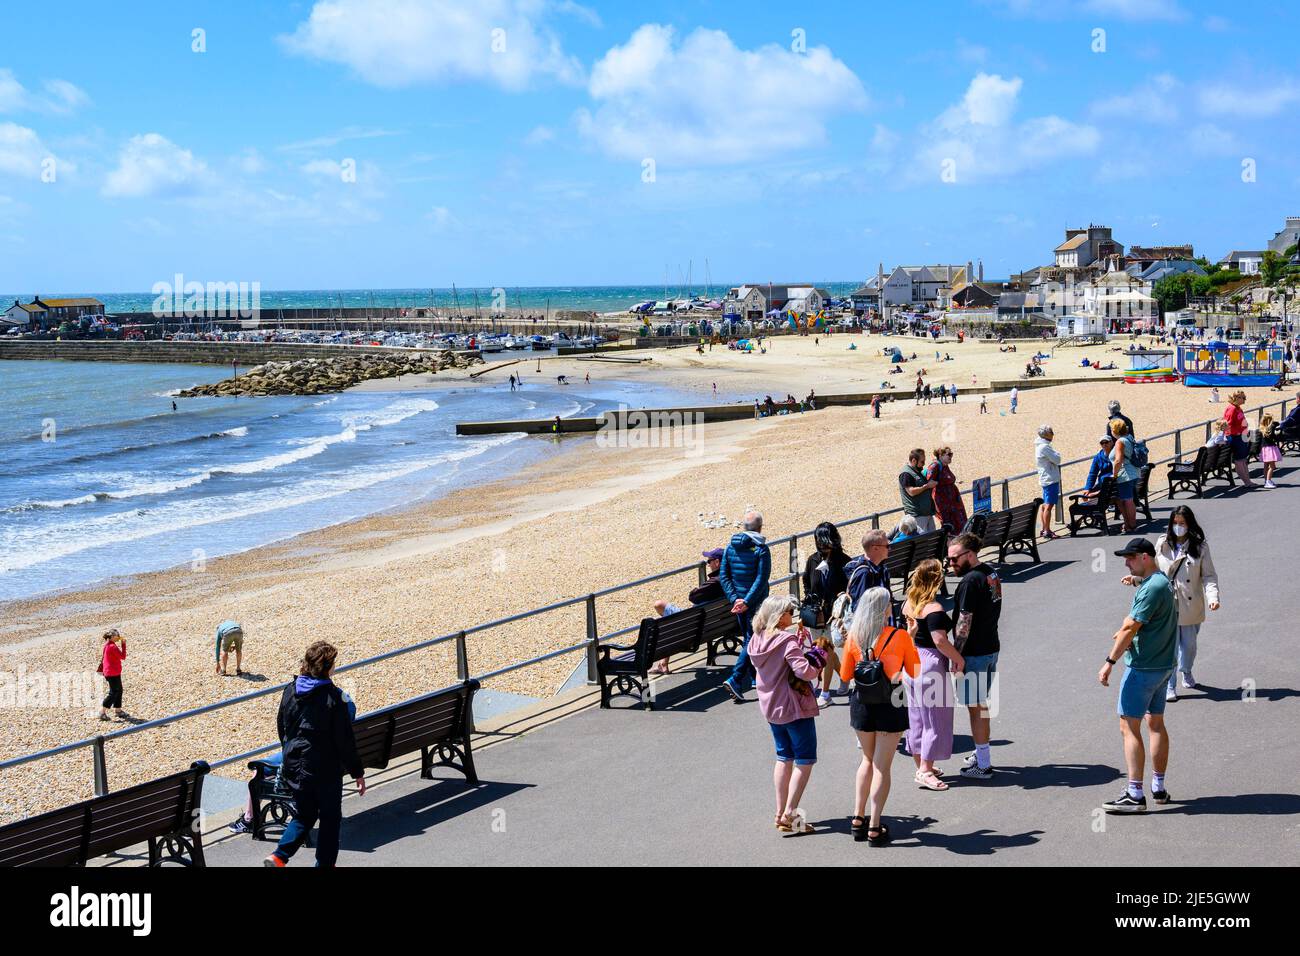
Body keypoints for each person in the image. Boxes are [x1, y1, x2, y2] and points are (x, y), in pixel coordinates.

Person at [265, 641, 366, 866]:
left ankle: (279, 856)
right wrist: (357, 772)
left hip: (295, 764)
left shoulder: (290, 690)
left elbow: (282, 725)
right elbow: (344, 741)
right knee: (330, 819)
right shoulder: (334, 698)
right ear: (328, 668)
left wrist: (289, 750)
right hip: (325, 769)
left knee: (304, 814)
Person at [1099, 539, 1177, 814]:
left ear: (1145, 557)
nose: (1126, 562)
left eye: (1131, 558)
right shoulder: (1161, 581)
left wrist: (1110, 661)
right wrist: (1135, 579)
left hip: (1143, 667)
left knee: (1128, 727)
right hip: (1164, 664)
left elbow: (1132, 625)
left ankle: (1134, 793)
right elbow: (1149, 597)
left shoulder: (1152, 588)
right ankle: (1159, 786)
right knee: (1155, 723)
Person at [840, 586, 918, 845]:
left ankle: (857, 818)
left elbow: (845, 675)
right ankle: (875, 825)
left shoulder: (854, 636)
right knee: (882, 767)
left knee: (866, 760)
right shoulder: (899, 636)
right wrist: (911, 638)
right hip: (891, 702)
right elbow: (915, 671)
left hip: (862, 702)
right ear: (884, 609)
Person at [748, 594, 826, 833]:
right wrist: (819, 658)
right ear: (780, 616)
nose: (792, 616)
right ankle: (790, 813)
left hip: (771, 706)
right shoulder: (786, 640)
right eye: (789, 612)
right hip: (794, 706)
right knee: (805, 759)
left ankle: (780, 811)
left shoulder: (757, 640)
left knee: (783, 757)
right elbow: (804, 671)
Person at [947, 533, 1002, 779]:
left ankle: (984, 763)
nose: (951, 564)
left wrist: (955, 655)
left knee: (976, 707)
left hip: (975, 653)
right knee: (980, 705)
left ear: (970, 554)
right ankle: (981, 754)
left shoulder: (969, 582)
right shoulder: (991, 573)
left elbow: (964, 621)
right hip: (990, 647)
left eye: (954, 559)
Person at [902, 559, 960, 791]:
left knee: (916, 718)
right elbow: (940, 641)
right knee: (935, 719)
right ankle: (925, 770)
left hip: (911, 662)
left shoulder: (908, 604)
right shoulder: (934, 609)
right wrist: (959, 658)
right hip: (930, 664)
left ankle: (922, 764)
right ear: (936, 579)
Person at [1152, 507, 1220, 702]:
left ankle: (1186, 670)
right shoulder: (1162, 544)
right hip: (1167, 604)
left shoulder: (1200, 547)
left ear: (1189, 524)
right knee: (1170, 649)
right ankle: (1169, 686)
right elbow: (1152, 571)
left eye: (1182, 523)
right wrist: (1135, 579)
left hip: (1191, 605)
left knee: (1189, 646)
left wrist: (1213, 597)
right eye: (1175, 523)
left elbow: (1208, 575)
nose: (1178, 527)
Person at [721, 511, 772, 702]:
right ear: (760, 527)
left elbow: (724, 576)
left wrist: (736, 599)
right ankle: (735, 678)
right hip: (754, 603)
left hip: (738, 604)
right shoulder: (761, 549)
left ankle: (754, 678)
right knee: (751, 640)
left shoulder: (730, 547)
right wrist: (747, 602)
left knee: (748, 639)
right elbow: (761, 579)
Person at [650, 548, 726, 675]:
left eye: (709, 561)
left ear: (717, 562)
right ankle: (663, 663)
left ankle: (663, 664)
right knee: (671, 621)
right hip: (714, 626)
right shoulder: (732, 577)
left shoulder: (715, 582)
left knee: (659, 605)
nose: (708, 564)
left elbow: (692, 597)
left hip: (693, 627)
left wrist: (700, 587)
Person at [800, 522, 852, 706]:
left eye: (825, 541)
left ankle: (826, 692)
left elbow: (850, 588)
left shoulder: (844, 561)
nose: (822, 545)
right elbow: (806, 580)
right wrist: (809, 598)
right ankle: (845, 678)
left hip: (835, 615)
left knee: (827, 652)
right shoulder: (812, 559)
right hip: (816, 615)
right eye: (819, 541)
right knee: (824, 651)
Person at [926, 445, 968, 533]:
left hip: (953, 502)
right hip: (944, 504)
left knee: (960, 525)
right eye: (949, 454)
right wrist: (939, 483)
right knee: (949, 526)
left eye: (951, 454)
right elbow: (929, 483)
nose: (951, 456)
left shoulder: (944, 466)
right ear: (940, 455)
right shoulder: (935, 466)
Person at [1109, 419, 1140, 532]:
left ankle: (1131, 525)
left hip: (1125, 474)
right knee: (1125, 500)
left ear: (1115, 430)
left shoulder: (1120, 441)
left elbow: (1118, 460)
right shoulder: (1129, 438)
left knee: (1127, 500)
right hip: (1134, 472)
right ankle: (1129, 524)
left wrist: (1114, 475)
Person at [898, 448, 938, 533]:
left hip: (927, 513)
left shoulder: (917, 471)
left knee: (932, 540)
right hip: (917, 515)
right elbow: (911, 491)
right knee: (922, 542)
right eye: (922, 462)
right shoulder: (906, 474)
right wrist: (927, 486)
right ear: (913, 461)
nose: (923, 464)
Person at [1222, 390, 1256, 488]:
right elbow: (1227, 424)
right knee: (1239, 460)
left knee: (1242, 460)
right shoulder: (1232, 409)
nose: (1244, 400)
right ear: (1236, 398)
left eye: (1244, 397)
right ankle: (1247, 482)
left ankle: (1248, 481)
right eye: (1242, 397)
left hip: (1240, 436)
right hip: (1234, 437)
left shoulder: (1238, 408)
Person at [1035, 424, 1062, 539]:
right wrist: (1057, 455)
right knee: (1049, 506)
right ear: (1046, 434)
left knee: (1045, 505)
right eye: (1051, 432)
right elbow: (1057, 459)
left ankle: (1044, 529)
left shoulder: (1041, 446)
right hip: (1050, 479)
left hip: (1046, 478)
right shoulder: (1045, 447)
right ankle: (1047, 530)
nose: (1053, 434)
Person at [98, 628, 127, 721]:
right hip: (112, 673)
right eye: (117, 635)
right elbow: (123, 656)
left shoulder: (107, 645)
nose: (119, 637)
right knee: (114, 692)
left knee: (119, 690)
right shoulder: (112, 647)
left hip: (109, 672)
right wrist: (123, 644)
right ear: (113, 636)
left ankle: (118, 710)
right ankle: (102, 712)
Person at [1258, 413, 1282, 488]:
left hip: (1264, 449)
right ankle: (1268, 481)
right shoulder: (1270, 428)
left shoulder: (1261, 429)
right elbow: (1275, 437)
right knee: (1272, 466)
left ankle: (1267, 480)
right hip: (1270, 449)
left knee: (1266, 466)